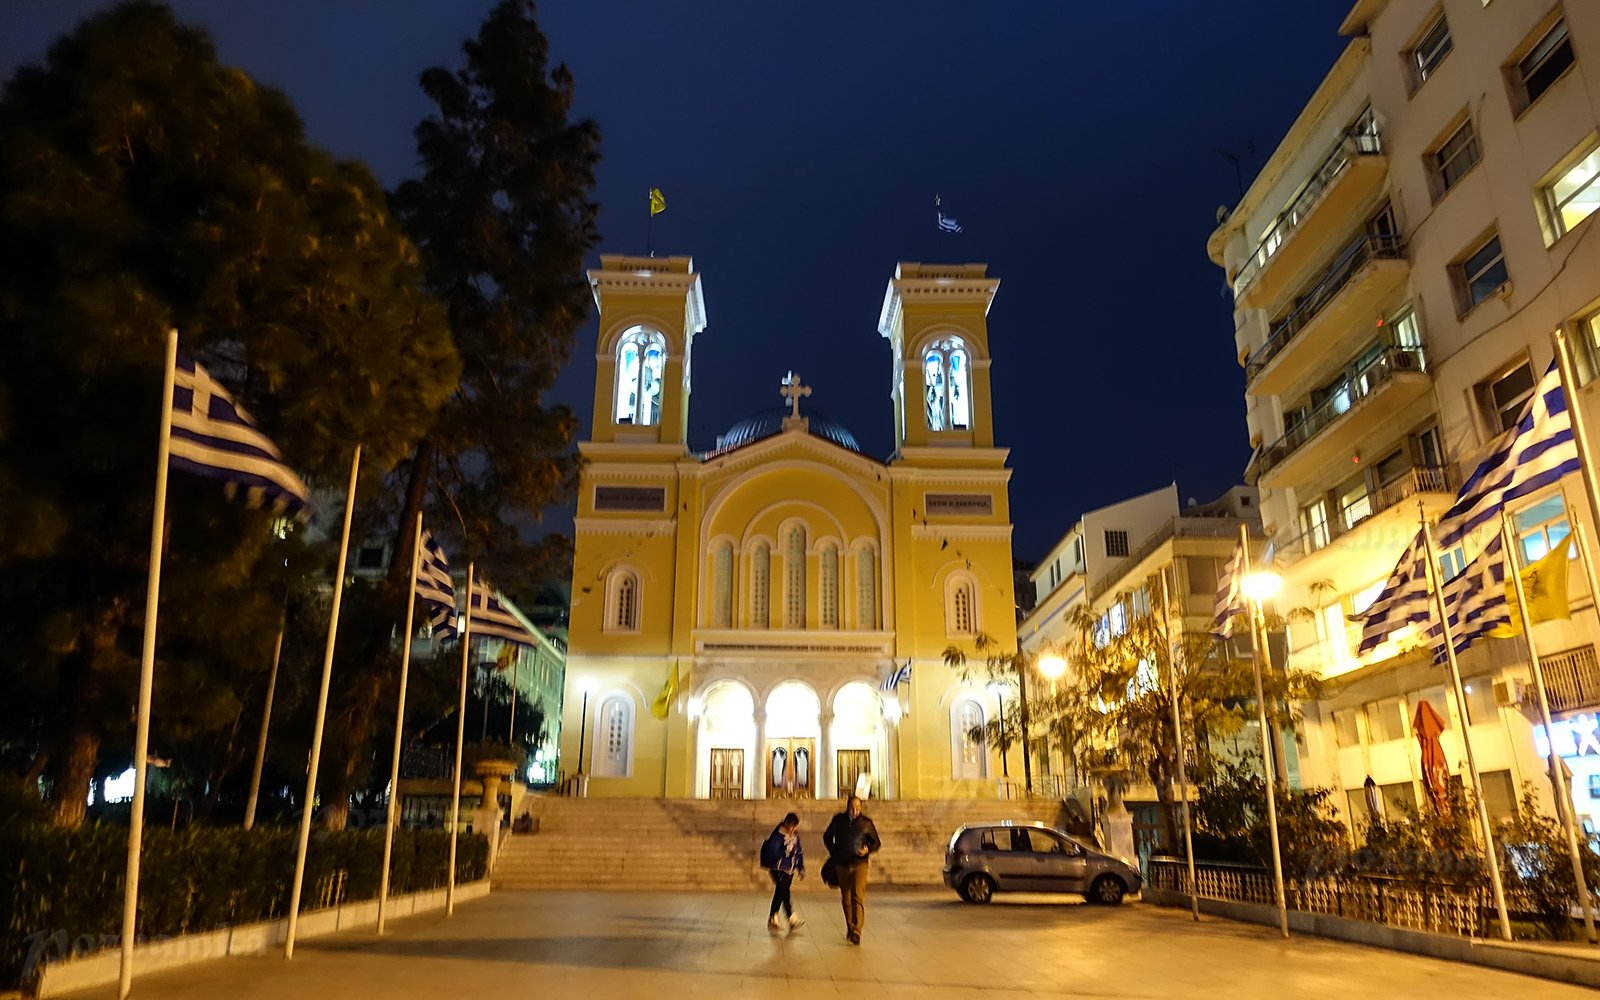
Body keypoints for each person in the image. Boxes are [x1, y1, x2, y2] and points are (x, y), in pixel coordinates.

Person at [822, 794, 880, 944]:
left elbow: (876, 842)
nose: (855, 811)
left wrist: (867, 849)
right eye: (852, 808)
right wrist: (834, 851)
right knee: (846, 897)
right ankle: (850, 926)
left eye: (858, 808)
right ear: (847, 807)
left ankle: (857, 931)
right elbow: (827, 836)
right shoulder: (838, 821)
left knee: (858, 896)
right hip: (841, 864)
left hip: (859, 863)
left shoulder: (866, 823)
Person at [760, 812, 806, 930]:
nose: (792, 829)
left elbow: (799, 852)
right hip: (778, 868)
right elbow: (772, 852)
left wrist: (800, 867)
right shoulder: (777, 835)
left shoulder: (795, 836)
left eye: (794, 827)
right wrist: (784, 854)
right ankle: (777, 916)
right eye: (790, 826)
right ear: (785, 824)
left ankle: (788, 917)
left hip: (790, 869)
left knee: (784, 891)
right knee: (782, 890)